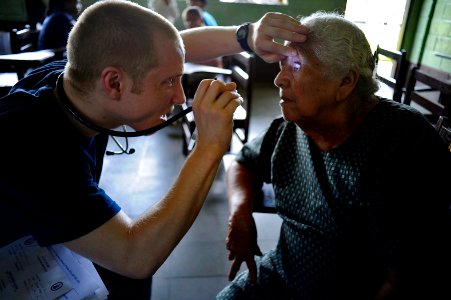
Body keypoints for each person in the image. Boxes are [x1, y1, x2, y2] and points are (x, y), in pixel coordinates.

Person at [0, 0, 309, 299]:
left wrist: (246, 35)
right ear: (115, 83)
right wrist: (209, 146)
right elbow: (136, 258)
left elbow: (168, 51)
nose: (178, 97)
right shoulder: (37, 153)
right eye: (168, 82)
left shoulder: (73, 78)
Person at [217, 11, 451, 300]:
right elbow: (243, 163)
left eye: (296, 66)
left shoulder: (402, 144)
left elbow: (404, 277)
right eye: (281, 65)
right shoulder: (293, 127)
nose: (279, 80)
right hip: (282, 271)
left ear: (345, 82)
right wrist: (240, 214)